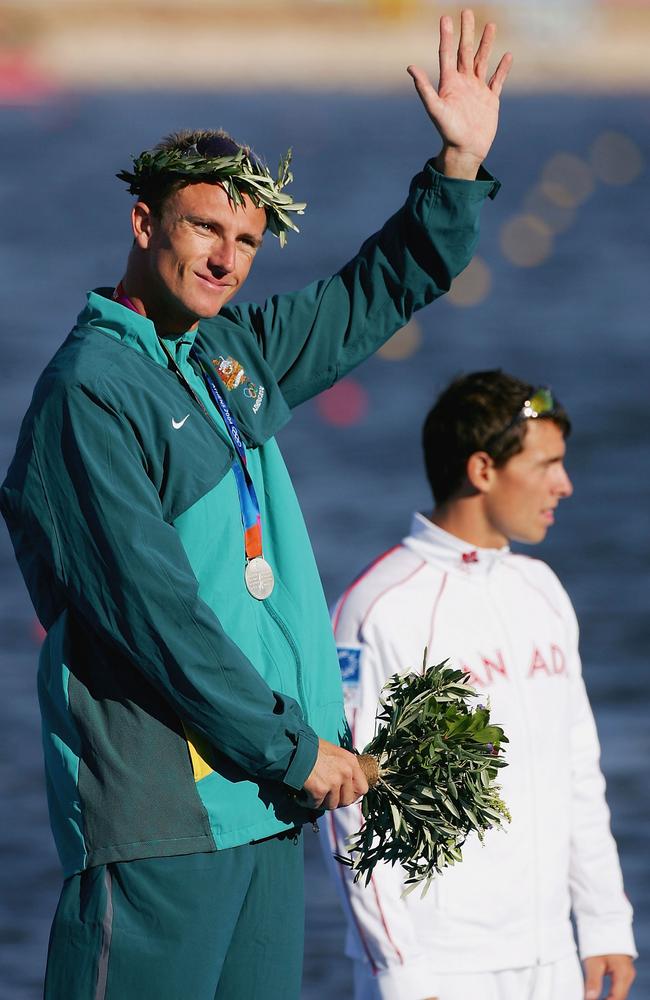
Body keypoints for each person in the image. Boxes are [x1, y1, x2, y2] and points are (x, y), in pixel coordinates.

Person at [0, 13, 512, 1000]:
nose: (224, 258)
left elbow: (372, 293)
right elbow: (156, 622)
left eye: (244, 240)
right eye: (203, 227)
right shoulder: (92, 392)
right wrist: (292, 747)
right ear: (145, 222)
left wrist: (455, 166)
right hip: (163, 817)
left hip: (266, 802)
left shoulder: (224, 359)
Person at [324, 370, 637, 1000]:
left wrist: (605, 921)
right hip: (441, 968)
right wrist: (403, 972)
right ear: (483, 469)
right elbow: (352, 808)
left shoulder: (542, 589)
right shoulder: (377, 609)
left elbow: (579, 769)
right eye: (547, 464)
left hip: (552, 958)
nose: (565, 484)